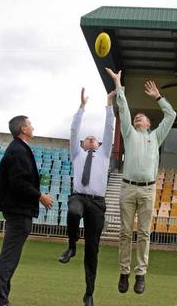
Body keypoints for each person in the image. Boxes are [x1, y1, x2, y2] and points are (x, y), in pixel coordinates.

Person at [105, 68, 177, 295]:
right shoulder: (129, 133)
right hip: (127, 188)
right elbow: (124, 109)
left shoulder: (156, 136)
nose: (137, 118)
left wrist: (158, 97)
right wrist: (118, 85)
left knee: (144, 233)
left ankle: (141, 274)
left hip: (147, 190)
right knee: (125, 233)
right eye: (136, 117)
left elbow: (171, 116)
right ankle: (124, 272)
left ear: (148, 124)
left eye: (142, 117)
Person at [58, 88, 116, 306]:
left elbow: (110, 129)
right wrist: (81, 107)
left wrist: (109, 104)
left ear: (99, 145)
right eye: (87, 138)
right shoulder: (77, 154)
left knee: (92, 249)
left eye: (94, 139)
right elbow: (74, 130)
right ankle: (72, 245)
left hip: (97, 203)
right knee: (73, 210)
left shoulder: (104, 154)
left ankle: (89, 293)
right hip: (79, 197)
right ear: (82, 145)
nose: (91, 139)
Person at [0, 115, 54, 306]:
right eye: (30, 124)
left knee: (11, 257)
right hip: (18, 211)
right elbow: (19, 182)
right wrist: (40, 196)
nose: (33, 127)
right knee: (9, 258)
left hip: (19, 210)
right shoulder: (18, 151)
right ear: (23, 129)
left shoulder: (19, 149)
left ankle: (1, 299)